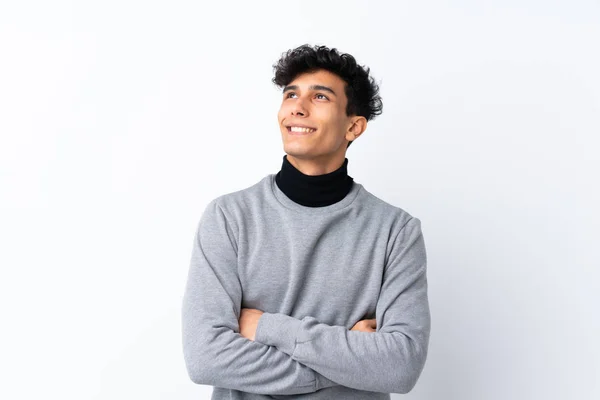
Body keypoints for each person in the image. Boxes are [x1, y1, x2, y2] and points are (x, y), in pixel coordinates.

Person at [181, 44, 431, 399]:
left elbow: (401, 366)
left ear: (354, 127)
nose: (297, 107)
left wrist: (267, 327)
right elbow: (205, 358)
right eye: (291, 95)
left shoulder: (396, 232)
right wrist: (348, 364)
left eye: (320, 97)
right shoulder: (229, 218)